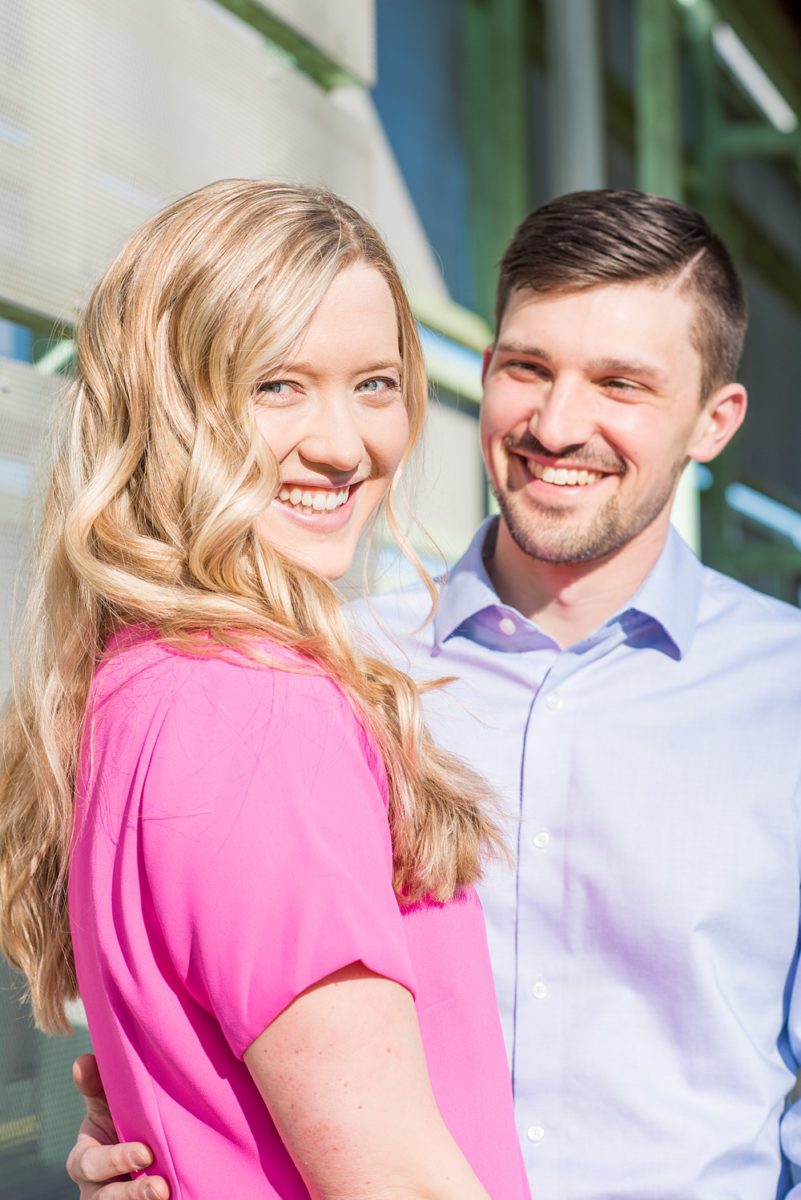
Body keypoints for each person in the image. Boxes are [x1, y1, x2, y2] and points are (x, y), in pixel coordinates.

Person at [67, 189, 801, 1200]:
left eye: (620, 384)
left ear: (715, 422)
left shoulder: (787, 698)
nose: (556, 422)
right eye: (527, 369)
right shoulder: (323, 676)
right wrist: (171, 1136)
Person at [0, 180, 531, 1200]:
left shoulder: (139, 684)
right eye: (277, 385)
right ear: (170, 407)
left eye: (375, 384)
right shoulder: (251, 707)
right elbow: (401, 1184)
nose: (343, 446)